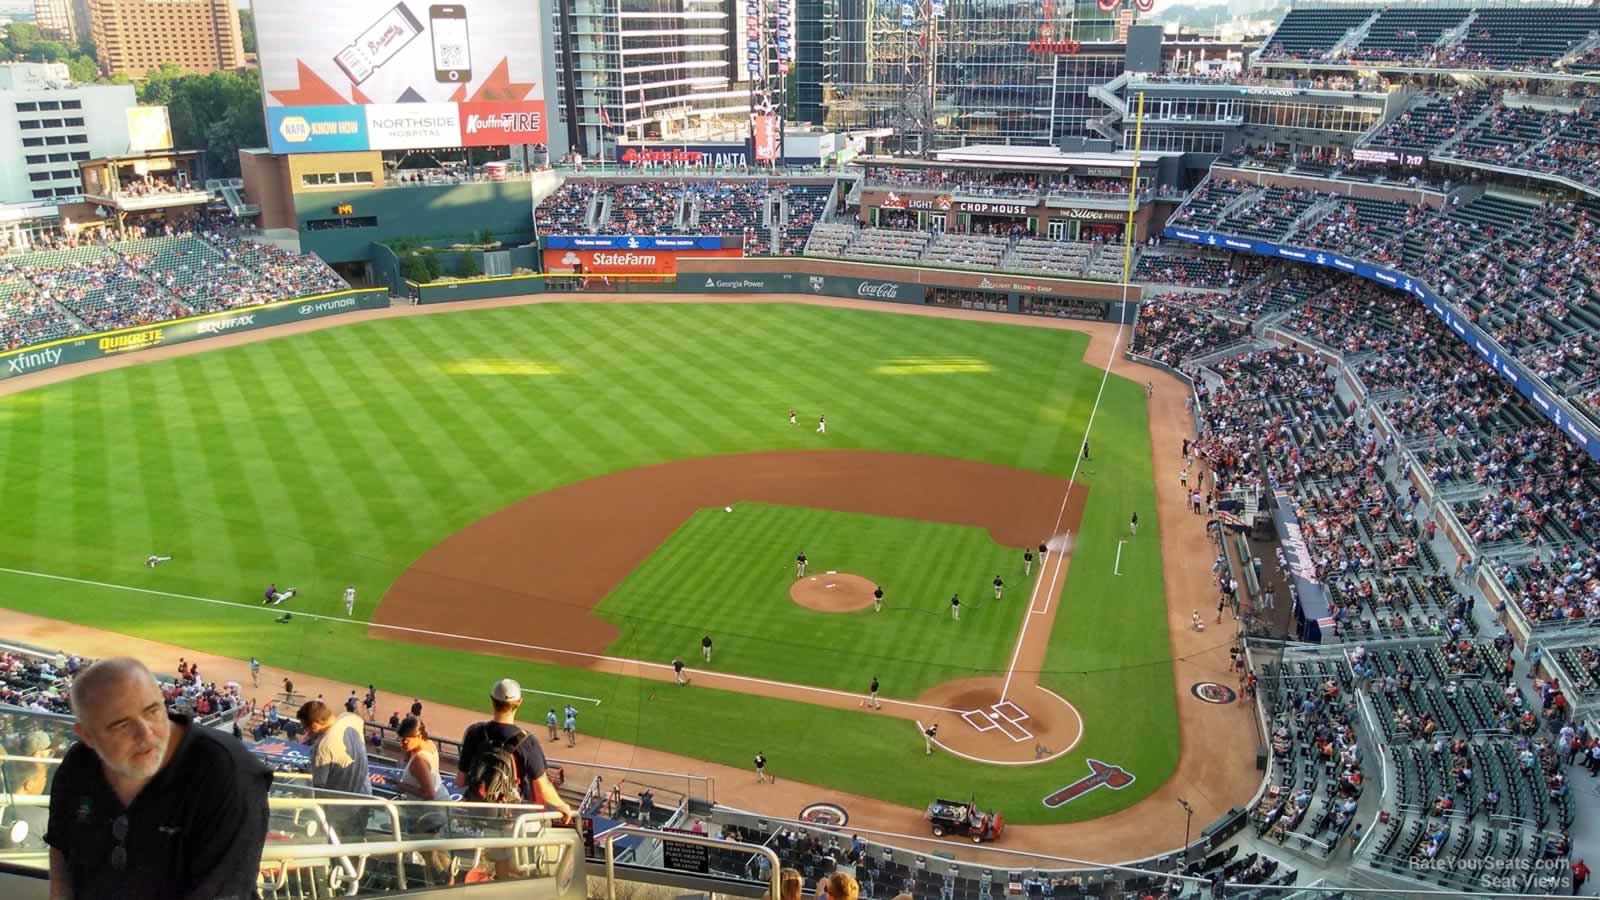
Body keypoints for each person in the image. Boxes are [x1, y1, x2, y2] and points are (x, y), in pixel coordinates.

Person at [45, 658, 271, 900]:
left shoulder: (227, 772)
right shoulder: (79, 763)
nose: (146, 734)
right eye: (122, 725)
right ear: (87, 735)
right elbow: (61, 849)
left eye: (152, 711)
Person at [456, 679, 574, 879]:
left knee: (501, 857)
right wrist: (563, 807)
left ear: (492, 701)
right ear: (519, 703)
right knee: (532, 857)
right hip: (511, 817)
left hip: (478, 813)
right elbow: (542, 787)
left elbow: (460, 781)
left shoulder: (474, 732)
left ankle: (502, 882)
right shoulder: (527, 741)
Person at [297, 698, 374, 840]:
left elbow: (319, 789)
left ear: (314, 725)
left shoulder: (322, 747)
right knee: (356, 844)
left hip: (341, 811)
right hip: (365, 797)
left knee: (339, 853)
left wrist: (321, 818)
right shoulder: (351, 719)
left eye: (306, 727)